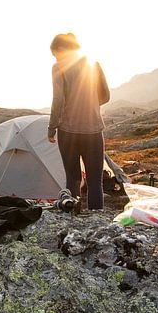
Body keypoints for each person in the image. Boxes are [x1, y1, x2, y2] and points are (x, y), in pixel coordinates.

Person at [47, 32, 110, 210]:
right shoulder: (93, 64)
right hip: (94, 130)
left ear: (61, 49)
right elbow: (105, 96)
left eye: (54, 53)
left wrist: (51, 128)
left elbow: (58, 100)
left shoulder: (58, 67)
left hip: (68, 132)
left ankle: (73, 215)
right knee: (95, 180)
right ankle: (97, 218)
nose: (54, 58)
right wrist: (88, 103)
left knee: (73, 177)